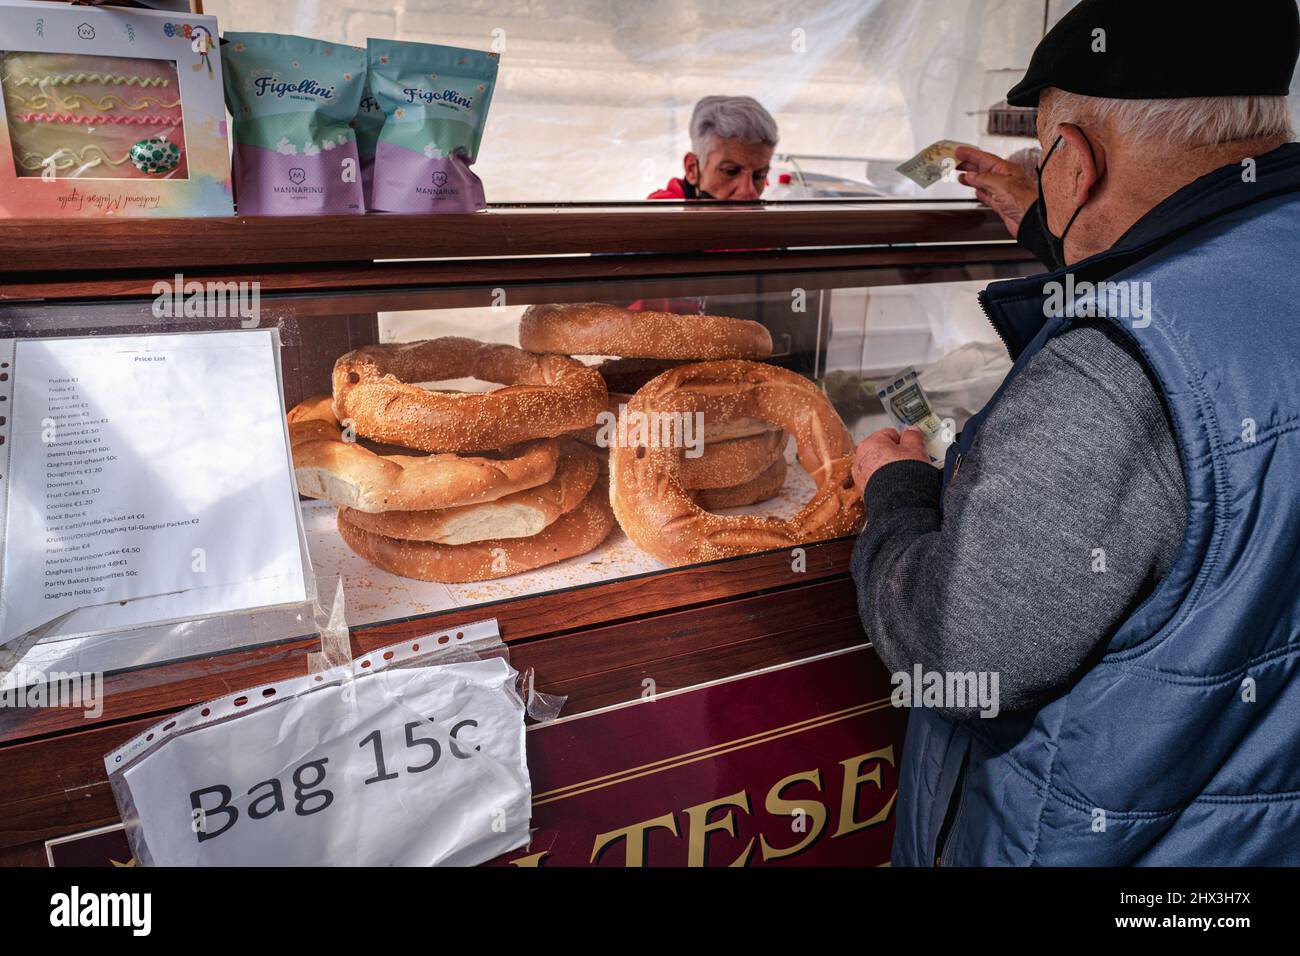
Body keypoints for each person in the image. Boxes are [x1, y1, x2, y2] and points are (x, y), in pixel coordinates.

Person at [850, 0, 1300, 865]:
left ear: (1079, 162)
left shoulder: (1112, 373)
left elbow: (964, 645)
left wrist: (897, 492)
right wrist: (1045, 217)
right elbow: (1209, 279)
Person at [647, 95, 777, 200]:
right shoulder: (660, 216)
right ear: (692, 169)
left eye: (759, 176)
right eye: (730, 171)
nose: (748, 193)